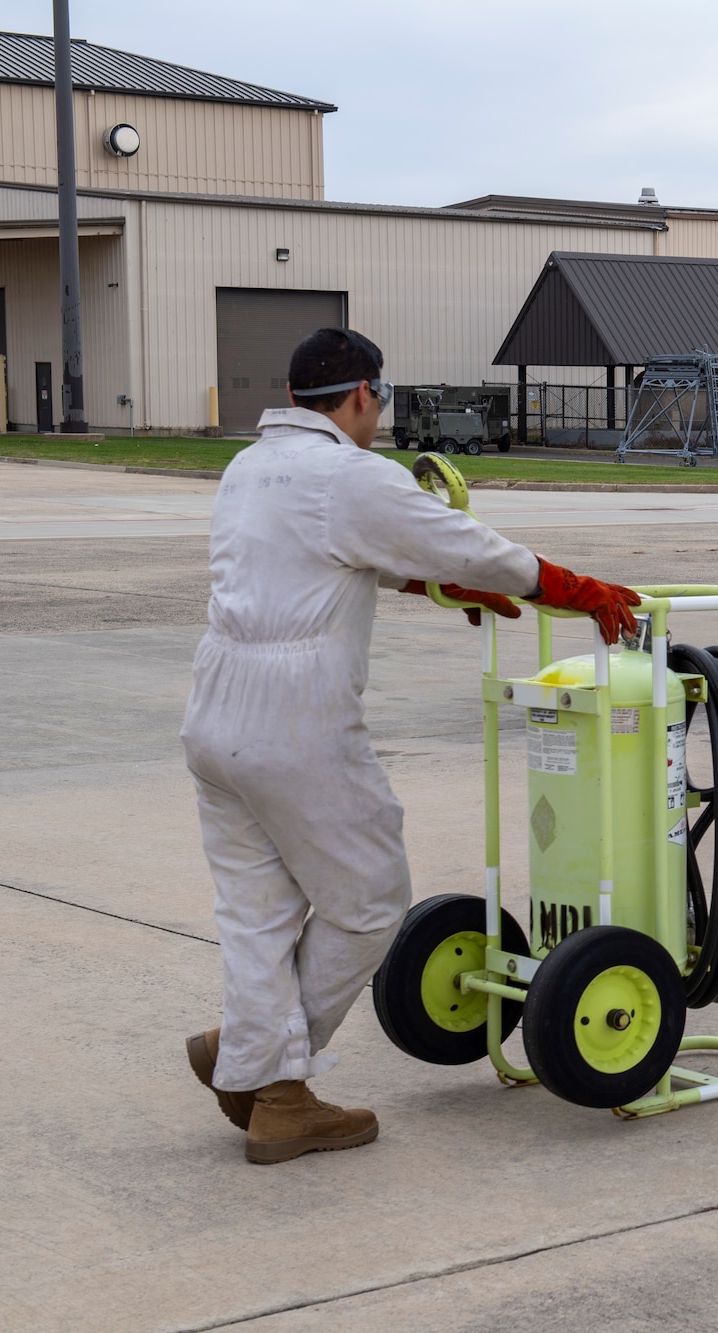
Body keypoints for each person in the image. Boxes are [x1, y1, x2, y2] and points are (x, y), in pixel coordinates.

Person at [181, 328, 641, 1164]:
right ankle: (275, 1087)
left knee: (259, 915)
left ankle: (242, 1053)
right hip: (295, 718)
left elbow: (338, 557)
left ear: (293, 399)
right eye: (379, 400)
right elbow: (466, 545)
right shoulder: (352, 474)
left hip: (214, 709)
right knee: (370, 900)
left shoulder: (247, 467)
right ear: (362, 395)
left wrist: (436, 584)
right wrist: (577, 590)